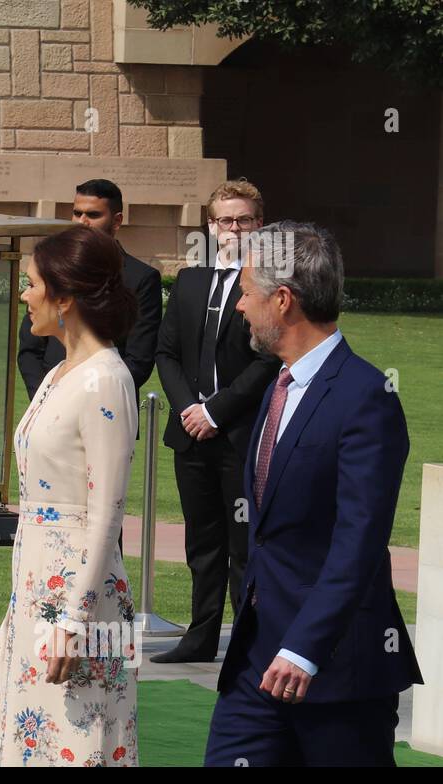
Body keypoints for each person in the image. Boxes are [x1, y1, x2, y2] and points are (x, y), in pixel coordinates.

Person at [204, 222, 421, 766]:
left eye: (247, 294)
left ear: (283, 300)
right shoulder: (277, 386)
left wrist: (305, 648)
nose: (239, 308)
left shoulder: (366, 397)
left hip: (334, 667)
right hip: (256, 660)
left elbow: (359, 543)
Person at [0, 225, 139, 767]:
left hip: (82, 603)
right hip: (35, 593)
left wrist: (75, 625)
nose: (24, 294)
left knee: (75, 746)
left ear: (66, 296)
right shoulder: (60, 371)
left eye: (32, 283)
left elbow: (107, 512)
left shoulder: (106, 379)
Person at [151, 179, 280, 664]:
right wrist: (191, 410)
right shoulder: (189, 282)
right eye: (225, 220)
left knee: (244, 543)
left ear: (259, 225)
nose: (234, 228)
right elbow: (167, 353)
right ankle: (201, 637)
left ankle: (249, 642)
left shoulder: (271, 285)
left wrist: (215, 412)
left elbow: (268, 360)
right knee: (201, 542)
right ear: (211, 226)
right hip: (190, 436)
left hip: (241, 434)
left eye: (244, 219)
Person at [18, 179, 162, 401]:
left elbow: (139, 360)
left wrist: (83, 398)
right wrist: (46, 399)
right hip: (47, 401)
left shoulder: (141, 278)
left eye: (93, 215)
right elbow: (30, 347)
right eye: (77, 213)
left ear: (117, 221)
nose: (82, 222)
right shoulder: (55, 267)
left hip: (106, 403)